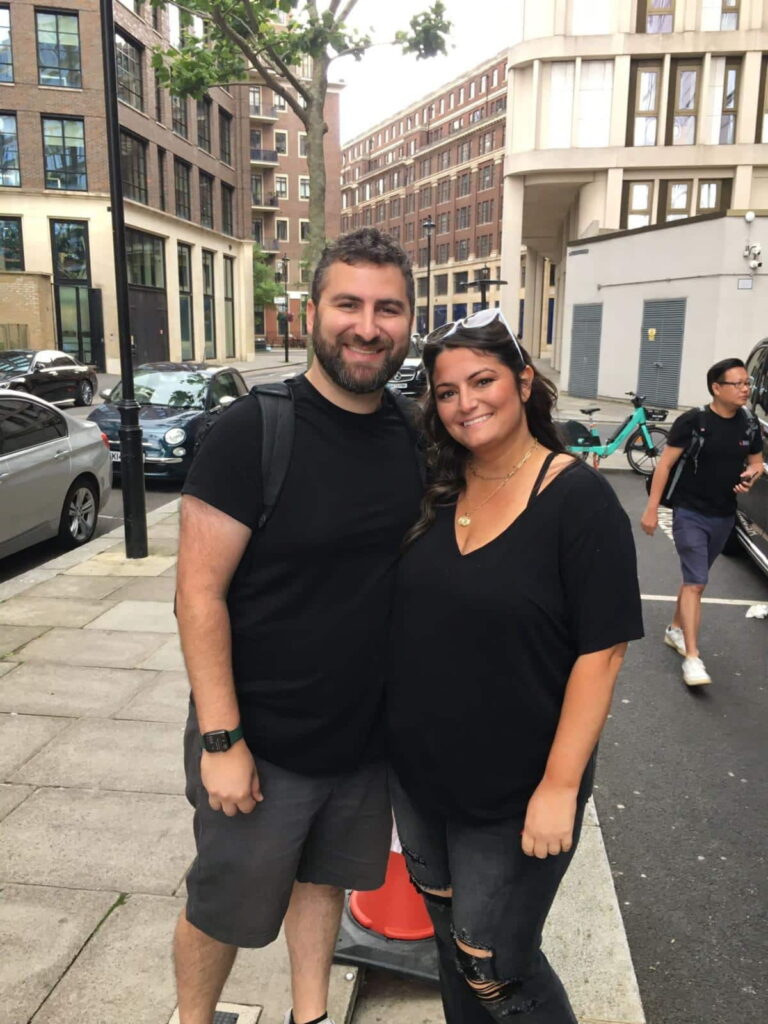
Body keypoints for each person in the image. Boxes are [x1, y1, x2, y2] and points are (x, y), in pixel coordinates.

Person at [173, 228, 423, 1024]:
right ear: (311, 312)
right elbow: (197, 594)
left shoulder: (416, 436)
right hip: (261, 740)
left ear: (410, 321)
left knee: (325, 883)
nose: (367, 324)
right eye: (347, 303)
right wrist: (221, 740)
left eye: (388, 308)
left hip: (362, 742)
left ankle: (308, 1015)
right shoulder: (252, 431)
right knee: (226, 906)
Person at [385, 309, 644, 1024]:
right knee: (449, 946)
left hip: (516, 785)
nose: (465, 402)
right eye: (446, 391)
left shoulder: (578, 500)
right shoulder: (435, 485)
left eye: (483, 380)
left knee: (495, 963)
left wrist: (559, 788)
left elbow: (604, 651)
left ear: (524, 381)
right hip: (422, 777)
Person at [641, 357, 763, 687]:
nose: (744, 389)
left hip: (723, 515)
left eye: (746, 384)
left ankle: (675, 629)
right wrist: (652, 509)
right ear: (716, 388)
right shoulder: (693, 422)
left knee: (697, 580)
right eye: (737, 384)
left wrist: (750, 476)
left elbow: (757, 463)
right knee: (695, 581)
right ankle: (692, 658)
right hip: (689, 512)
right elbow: (664, 466)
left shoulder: (749, 424)